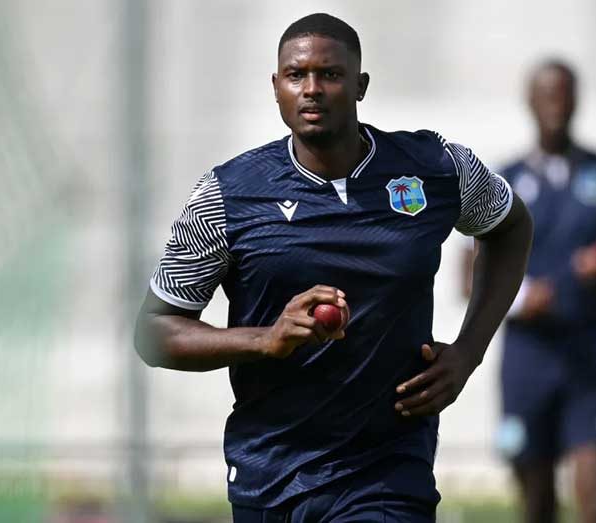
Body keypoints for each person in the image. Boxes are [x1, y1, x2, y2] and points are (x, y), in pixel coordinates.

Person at [136, 13, 532, 521]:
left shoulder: (436, 168)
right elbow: (154, 332)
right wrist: (265, 339)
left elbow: (510, 227)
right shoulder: (228, 194)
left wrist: (469, 352)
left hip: (387, 468)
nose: (312, 89)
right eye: (296, 75)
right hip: (270, 470)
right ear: (276, 87)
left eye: (331, 74)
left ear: (360, 85)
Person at [462, 60, 596, 523]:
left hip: (592, 356)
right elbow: (469, 275)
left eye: (564, 93)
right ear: (529, 102)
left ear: (577, 100)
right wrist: (523, 297)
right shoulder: (502, 180)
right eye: (546, 94)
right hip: (528, 359)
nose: (556, 104)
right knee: (537, 504)